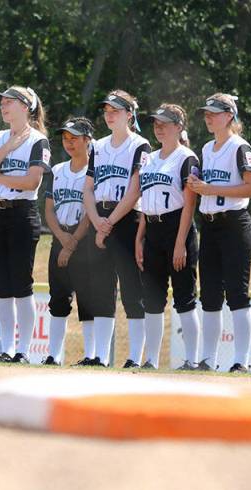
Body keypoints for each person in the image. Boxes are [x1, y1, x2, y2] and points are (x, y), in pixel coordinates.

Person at [0, 86, 49, 364]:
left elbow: (32, 182)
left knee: (21, 283)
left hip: (23, 214)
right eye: (2, 102)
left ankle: (24, 351)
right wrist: (7, 148)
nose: (3, 106)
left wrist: (0, 176)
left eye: (9, 102)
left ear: (25, 107)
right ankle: (6, 348)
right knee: (2, 286)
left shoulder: (38, 141)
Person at [187, 93, 251, 373]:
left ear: (229, 115)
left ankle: (241, 361)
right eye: (206, 113)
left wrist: (212, 189)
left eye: (214, 112)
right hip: (210, 224)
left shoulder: (240, 147)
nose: (208, 117)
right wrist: (197, 184)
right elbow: (207, 186)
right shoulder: (207, 148)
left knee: (237, 294)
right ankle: (208, 359)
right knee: (209, 295)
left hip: (234, 224)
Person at [82, 90, 150, 367]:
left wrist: (108, 223)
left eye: (116, 111)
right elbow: (88, 188)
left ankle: (134, 357)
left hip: (126, 218)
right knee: (101, 288)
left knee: (132, 290)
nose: (109, 115)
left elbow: (135, 191)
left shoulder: (140, 145)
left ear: (129, 115)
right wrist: (97, 220)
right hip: (100, 217)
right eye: (106, 111)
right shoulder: (98, 145)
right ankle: (100, 356)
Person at [134, 104, 201, 370]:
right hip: (151, 228)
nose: (158, 127)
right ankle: (151, 360)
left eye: (164, 122)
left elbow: (189, 202)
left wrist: (180, 243)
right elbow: (143, 199)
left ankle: (192, 360)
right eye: (156, 122)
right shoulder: (149, 158)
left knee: (184, 296)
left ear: (178, 127)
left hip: (177, 226)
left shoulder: (187, 157)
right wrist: (139, 237)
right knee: (152, 299)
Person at [42, 117, 96, 366]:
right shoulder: (57, 170)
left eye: (74, 138)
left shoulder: (94, 170)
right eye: (65, 138)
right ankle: (54, 355)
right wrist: (63, 239)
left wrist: (72, 241)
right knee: (58, 299)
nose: (69, 143)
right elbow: (49, 210)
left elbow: (90, 211)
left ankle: (90, 355)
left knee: (88, 299)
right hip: (60, 236)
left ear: (88, 140)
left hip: (84, 240)